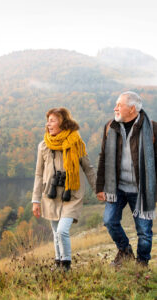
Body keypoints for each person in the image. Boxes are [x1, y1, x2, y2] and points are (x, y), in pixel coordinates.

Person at [96, 91, 157, 267]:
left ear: (132, 109)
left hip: (142, 190)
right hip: (118, 187)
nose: (115, 108)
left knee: (144, 231)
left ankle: (142, 263)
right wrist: (100, 186)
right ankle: (125, 251)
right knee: (109, 220)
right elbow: (103, 157)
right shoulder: (110, 127)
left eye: (119, 105)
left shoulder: (153, 129)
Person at [32, 107, 96, 271]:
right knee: (55, 232)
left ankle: (66, 265)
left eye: (52, 120)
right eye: (48, 120)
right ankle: (58, 263)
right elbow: (39, 174)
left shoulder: (76, 143)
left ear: (63, 122)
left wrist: (98, 189)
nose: (48, 124)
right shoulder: (43, 146)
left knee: (62, 231)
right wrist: (35, 200)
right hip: (51, 194)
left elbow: (88, 168)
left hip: (71, 194)